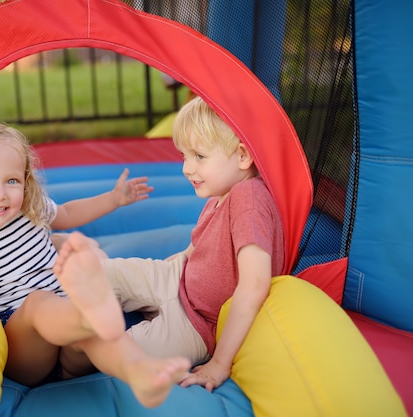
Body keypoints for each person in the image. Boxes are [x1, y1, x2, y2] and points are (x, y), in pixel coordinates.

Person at [0, 119, 190, 408]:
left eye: (12, 180)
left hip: (70, 339)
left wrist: (114, 198)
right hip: (23, 347)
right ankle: (91, 313)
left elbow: (67, 213)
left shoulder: (30, 211)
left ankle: (140, 371)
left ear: (25, 181)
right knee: (39, 302)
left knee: (92, 331)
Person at [55, 95, 285, 392]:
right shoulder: (225, 192)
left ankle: (62, 376)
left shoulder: (248, 200)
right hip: (177, 280)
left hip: (198, 327)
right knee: (98, 274)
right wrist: (154, 276)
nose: (186, 169)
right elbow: (196, 249)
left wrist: (219, 363)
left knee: (96, 346)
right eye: (184, 156)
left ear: (242, 156)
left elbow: (254, 284)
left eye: (199, 156)